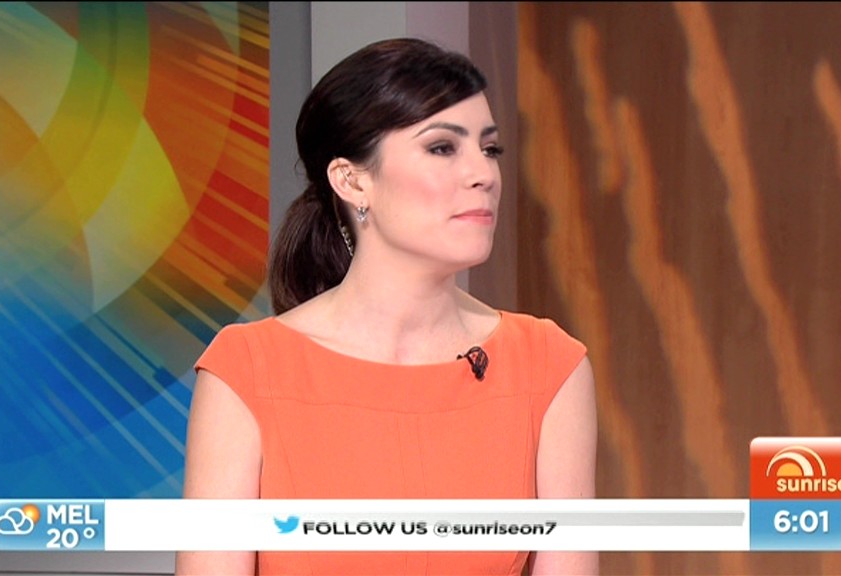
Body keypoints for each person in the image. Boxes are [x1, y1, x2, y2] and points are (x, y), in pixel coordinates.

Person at [175, 37, 598, 576]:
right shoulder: (246, 371)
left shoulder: (549, 366)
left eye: (489, 149)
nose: (484, 174)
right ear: (352, 180)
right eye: (442, 148)